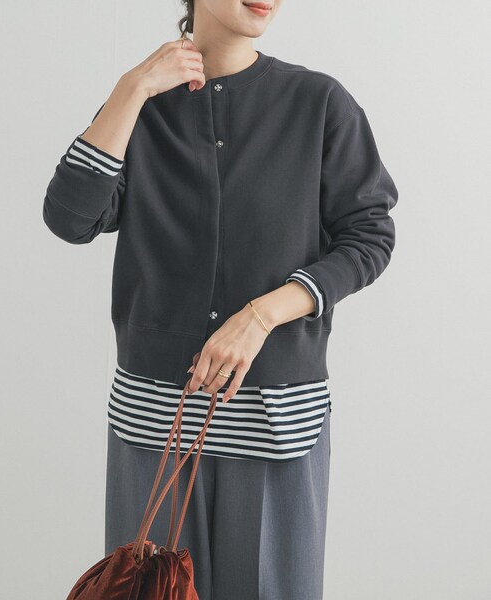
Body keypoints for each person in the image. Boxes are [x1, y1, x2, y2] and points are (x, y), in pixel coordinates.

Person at [42, 0, 398, 597]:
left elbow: (369, 235)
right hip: (154, 426)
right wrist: (131, 89)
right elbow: (70, 218)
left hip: (276, 426)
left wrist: (261, 316)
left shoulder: (319, 103)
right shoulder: (141, 107)